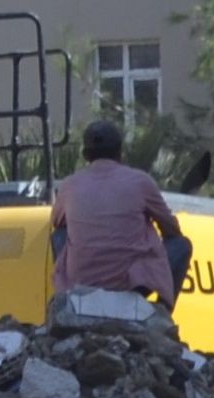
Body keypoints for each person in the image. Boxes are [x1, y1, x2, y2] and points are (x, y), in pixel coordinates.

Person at [47, 120, 188, 305]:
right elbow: (172, 231)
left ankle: (66, 300)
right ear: (120, 152)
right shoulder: (140, 182)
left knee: (59, 235)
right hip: (132, 286)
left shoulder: (69, 185)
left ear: (85, 155)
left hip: (81, 285)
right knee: (181, 245)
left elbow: (57, 222)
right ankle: (163, 313)